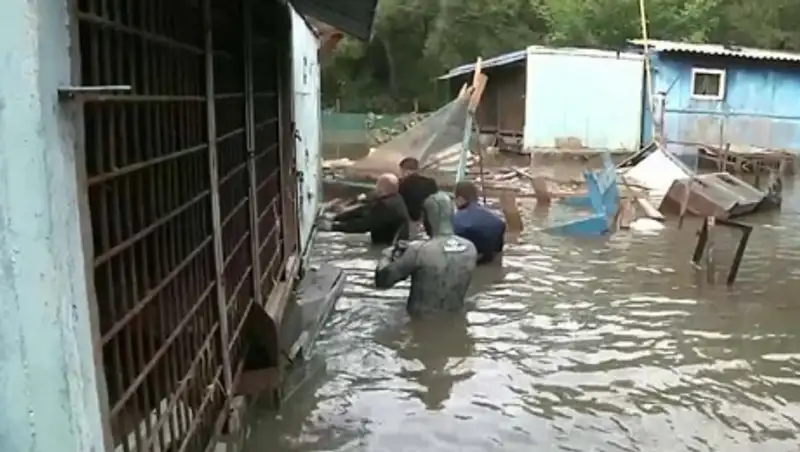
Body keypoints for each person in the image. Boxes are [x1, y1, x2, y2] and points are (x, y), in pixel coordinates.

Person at [374, 191, 477, 316]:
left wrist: (387, 255)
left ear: (429, 218)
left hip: (420, 321)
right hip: (455, 318)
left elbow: (383, 281)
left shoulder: (418, 251)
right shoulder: (470, 248)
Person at [319, 173, 410, 245]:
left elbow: (364, 225)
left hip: (388, 246)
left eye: (377, 185)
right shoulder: (394, 197)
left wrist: (333, 227)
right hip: (388, 241)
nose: (375, 188)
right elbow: (363, 209)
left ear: (381, 189)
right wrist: (336, 217)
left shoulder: (387, 206)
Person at [452, 180, 506, 265]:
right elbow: (498, 252)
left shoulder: (456, 220)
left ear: (460, 199)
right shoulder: (497, 220)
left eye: (454, 199)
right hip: (491, 261)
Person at [398, 157, 439, 236]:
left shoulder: (402, 184)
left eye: (401, 171)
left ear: (405, 171)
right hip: (429, 223)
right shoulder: (431, 183)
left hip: (410, 222)